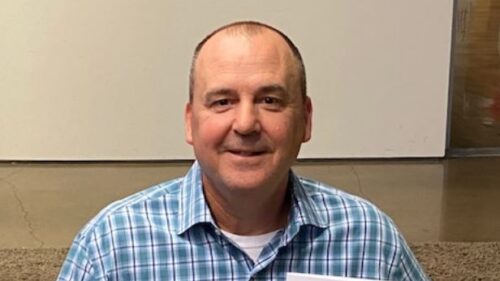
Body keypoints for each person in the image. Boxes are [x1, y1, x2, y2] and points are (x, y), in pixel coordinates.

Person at [57, 21, 429, 281]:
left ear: (306, 120)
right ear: (190, 122)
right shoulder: (112, 245)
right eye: (222, 101)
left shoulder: (370, 241)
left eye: (270, 100)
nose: (246, 123)